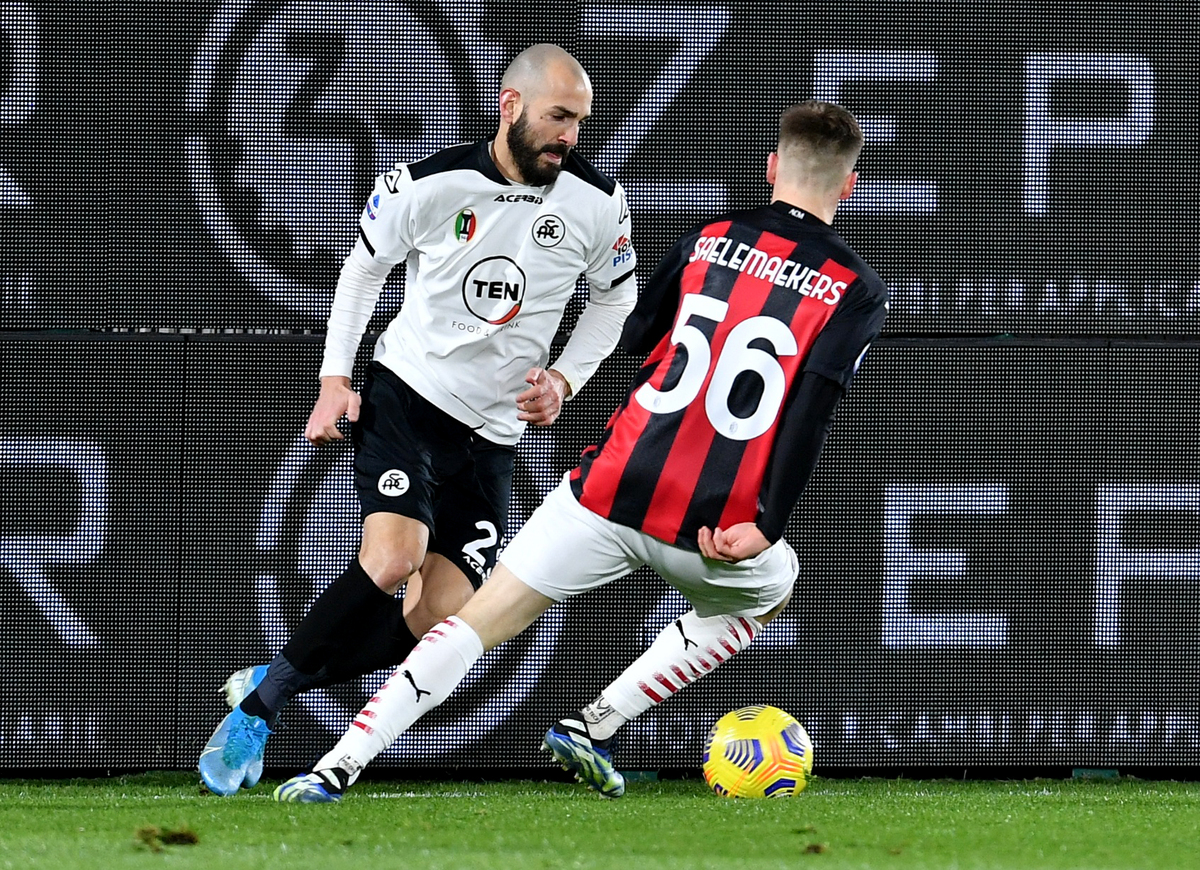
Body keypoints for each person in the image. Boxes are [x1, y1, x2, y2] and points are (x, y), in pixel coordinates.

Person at [272, 99, 888, 803]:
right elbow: (810, 414)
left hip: (607, 489)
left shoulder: (709, 236)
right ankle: (598, 723)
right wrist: (767, 524)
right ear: (850, 186)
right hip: (711, 527)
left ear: (772, 168)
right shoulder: (859, 291)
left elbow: (638, 336)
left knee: (473, 626)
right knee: (773, 587)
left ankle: (334, 767)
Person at [198, 43, 638, 796]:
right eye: (558, 117)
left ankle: (273, 677)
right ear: (510, 105)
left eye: (580, 123)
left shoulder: (597, 202)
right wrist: (335, 378)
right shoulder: (428, 183)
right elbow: (364, 268)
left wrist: (565, 378)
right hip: (408, 396)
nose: (569, 136)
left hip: (494, 436)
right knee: (393, 561)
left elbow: (615, 299)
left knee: (444, 618)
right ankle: (259, 714)